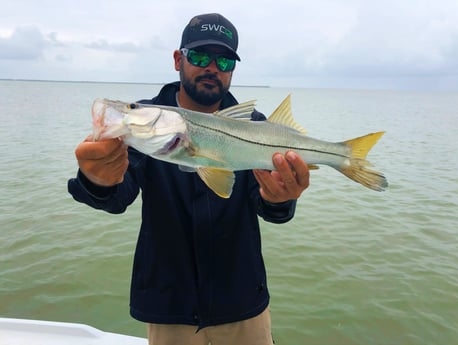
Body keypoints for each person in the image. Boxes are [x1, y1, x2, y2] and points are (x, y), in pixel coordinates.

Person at [68, 13, 310, 345]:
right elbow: (117, 196)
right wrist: (97, 180)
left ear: (232, 70)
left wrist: (281, 199)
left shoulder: (256, 125)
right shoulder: (150, 124)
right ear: (178, 59)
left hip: (241, 302)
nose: (212, 67)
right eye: (199, 57)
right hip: (169, 306)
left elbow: (268, 207)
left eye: (224, 60)